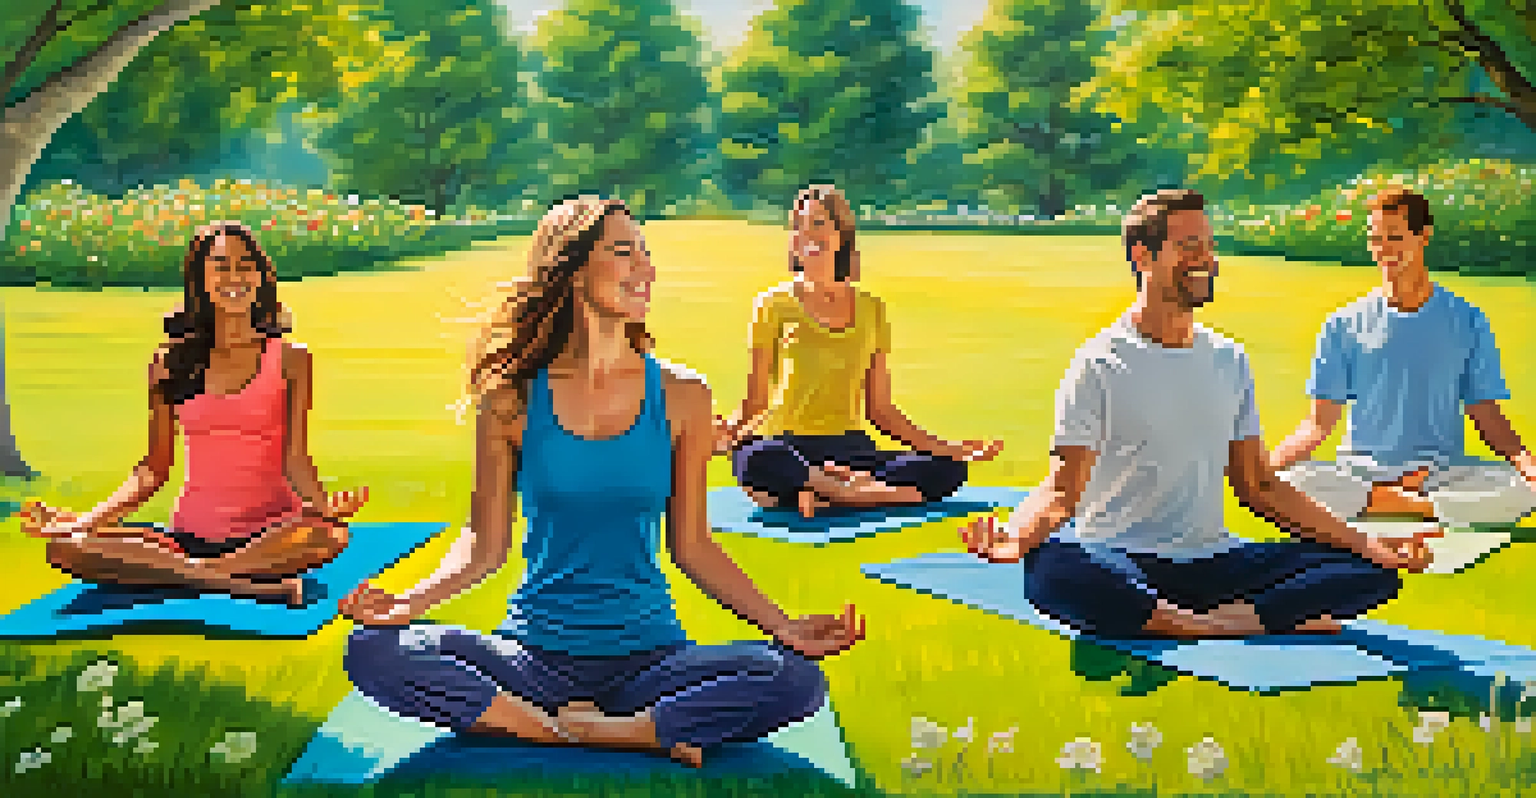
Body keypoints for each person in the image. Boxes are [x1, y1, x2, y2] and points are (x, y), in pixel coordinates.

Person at [339, 197, 864, 768]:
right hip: (530, 659)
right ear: (572, 268)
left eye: (646, 253)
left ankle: (607, 729)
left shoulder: (684, 396)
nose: (646, 270)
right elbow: (483, 545)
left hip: (651, 661)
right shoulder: (510, 399)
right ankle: (565, 730)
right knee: (373, 649)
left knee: (793, 678)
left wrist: (785, 625)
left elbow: (691, 546)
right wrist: (408, 603)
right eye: (624, 252)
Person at [959, 189, 1434, 639]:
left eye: (1209, 246)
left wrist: (1367, 544)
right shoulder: (1100, 364)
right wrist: (1014, 539)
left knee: (1371, 572)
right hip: (1121, 560)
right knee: (1053, 569)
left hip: (1215, 563)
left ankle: (1197, 619)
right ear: (1143, 257)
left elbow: (1260, 488)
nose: (1206, 259)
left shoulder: (1229, 359)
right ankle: (1227, 622)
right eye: (1189, 246)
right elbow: (1062, 491)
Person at [21, 222, 366, 607]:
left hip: (272, 534)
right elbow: (153, 469)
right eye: (221, 266)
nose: (234, 277)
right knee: (66, 547)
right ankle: (240, 583)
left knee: (330, 535)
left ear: (260, 276)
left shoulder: (291, 359)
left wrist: (325, 507)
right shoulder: (170, 361)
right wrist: (86, 520)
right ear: (200, 279)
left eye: (244, 265)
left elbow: (295, 457)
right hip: (187, 534)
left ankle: (188, 574)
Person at [715, 184, 1003, 518]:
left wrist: (953, 449)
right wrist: (725, 434)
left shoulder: (871, 309)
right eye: (798, 225)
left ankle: (823, 494)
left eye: (818, 223)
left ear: (841, 234)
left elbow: (881, 410)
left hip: (850, 448)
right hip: (788, 444)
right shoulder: (773, 305)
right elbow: (756, 402)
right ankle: (850, 492)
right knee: (755, 458)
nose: (806, 233)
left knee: (948, 470)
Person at [1270, 188, 1536, 526]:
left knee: (1520, 488)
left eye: (1394, 237)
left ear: (1424, 236)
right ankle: (1408, 503)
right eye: (1375, 239)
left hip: (1441, 474)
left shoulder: (1467, 319)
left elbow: (1486, 414)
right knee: (1291, 480)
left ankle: (1391, 504)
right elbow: (1318, 424)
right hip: (1361, 474)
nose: (1383, 250)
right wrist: (1266, 469)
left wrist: (1528, 465)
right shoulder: (1342, 323)